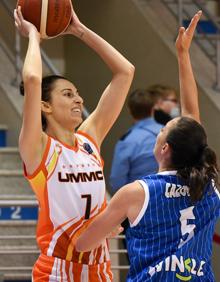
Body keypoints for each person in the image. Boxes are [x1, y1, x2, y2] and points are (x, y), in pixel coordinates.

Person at [76, 11, 220, 281]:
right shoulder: (208, 186)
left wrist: (106, 228)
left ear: (164, 148)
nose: (158, 130)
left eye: (162, 129)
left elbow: (83, 244)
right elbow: (192, 117)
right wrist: (183, 54)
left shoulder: (135, 192)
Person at [14, 4, 134, 281]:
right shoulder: (38, 147)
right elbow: (33, 79)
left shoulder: (89, 140)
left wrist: (79, 30)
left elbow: (125, 71)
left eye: (77, 94)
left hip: (101, 269)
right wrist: (33, 34)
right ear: (45, 106)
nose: (79, 100)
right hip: (57, 270)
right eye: (68, 94)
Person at [110, 89, 163, 193]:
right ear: (153, 109)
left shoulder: (127, 141)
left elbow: (117, 180)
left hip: (140, 198)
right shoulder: (170, 131)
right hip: (170, 196)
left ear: (129, 110)